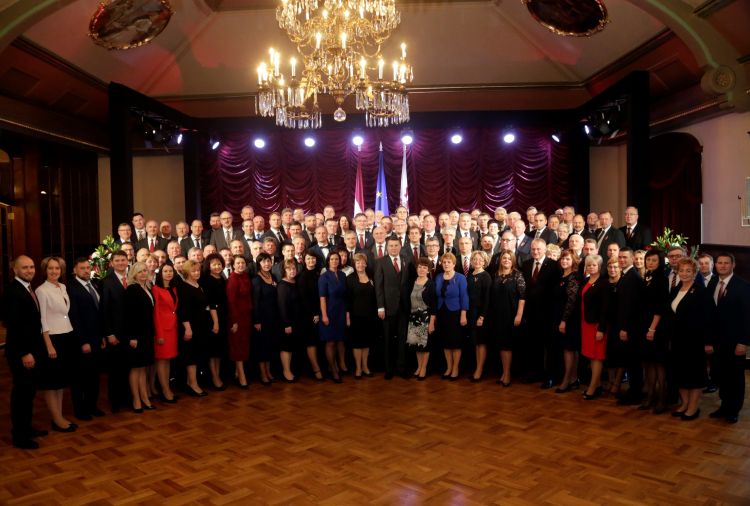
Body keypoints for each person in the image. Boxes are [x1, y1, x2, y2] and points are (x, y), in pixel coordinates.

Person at [5, 256, 46, 449]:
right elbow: (14, 326)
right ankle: (19, 436)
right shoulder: (13, 291)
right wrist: (25, 353)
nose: (29, 270)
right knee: (21, 394)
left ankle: (27, 428)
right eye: (25, 268)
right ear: (15, 270)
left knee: (29, 392)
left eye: (31, 267)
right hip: (21, 352)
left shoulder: (27, 288)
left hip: (32, 349)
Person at [665, 258, 712, 421]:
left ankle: (693, 407)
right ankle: (684, 404)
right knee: (679, 373)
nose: (684, 273)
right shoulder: (675, 289)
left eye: (688, 271)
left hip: (694, 341)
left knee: (694, 375)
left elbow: (708, 318)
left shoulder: (701, 291)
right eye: (681, 270)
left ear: (694, 272)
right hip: (677, 340)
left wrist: (708, 341)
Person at [35, 256, 78, 432]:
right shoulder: (41, 290)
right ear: (45, 270)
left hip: (66, 335)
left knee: (60, 381)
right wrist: (49, 345)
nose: (54, 271)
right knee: (51, 382)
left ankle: (58, 417)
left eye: (57, 268)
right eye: (51, 268)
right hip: (52, 339)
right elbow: (42, 320)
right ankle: (57, 418)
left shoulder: (63, 287)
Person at [707, 253, 750, 424]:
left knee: (736, 377)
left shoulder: (743, 286)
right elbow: (710, 314)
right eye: (720, 263)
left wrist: (744, 342)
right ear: (715, 265)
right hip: (717, 341)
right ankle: (724, 406)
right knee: (721, 374)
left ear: (733, 265)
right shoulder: (712, 283)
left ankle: (734, 409)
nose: (723, 266)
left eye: (726, 263)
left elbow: (748, 317)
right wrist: (709, 340)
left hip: (735, 341)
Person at [67, 257, 105, 422]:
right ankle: (80, 409)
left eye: (88, 268)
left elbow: (98, 313)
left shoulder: (94, 284)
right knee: (80, 377)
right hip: (83, 340)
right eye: (82, 268)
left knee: (94, 375)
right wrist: (83, 341)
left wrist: (102, 336)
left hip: (96, 338)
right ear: (74, 270)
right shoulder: (71, 288)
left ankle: (92, 405)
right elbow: (74, 317)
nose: (86, 271)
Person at [521, 239, 561, 387]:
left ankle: (550, 376)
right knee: (533, 344)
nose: (535, 252)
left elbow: (555, 290)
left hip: (548, 313)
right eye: (533, 249)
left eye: (538, 249)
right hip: (531, 313)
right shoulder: (526, 264)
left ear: (545, 250)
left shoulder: (553, 265)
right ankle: (535, 373)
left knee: (549, 346)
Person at [613, 248, 646, 406]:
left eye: (625, 257)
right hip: (627, 326)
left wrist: (625, 328)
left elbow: (631, 306)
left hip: (631, 328)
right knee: (629, 361)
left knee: (633, 362)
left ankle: (636, 394)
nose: (621, 260)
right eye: (620, 257)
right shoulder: (626, 275)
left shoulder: (633, 277)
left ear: (632, 258)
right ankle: (634, 390)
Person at [488, 250, 525, 387]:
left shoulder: (517, 275)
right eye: (504, 258)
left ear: (513, 260)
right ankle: (504, 372)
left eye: (509, 258)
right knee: (501, 345)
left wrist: (519, 315)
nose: (506, 260)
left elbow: (522, 297)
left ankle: (508, 374)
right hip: (497, 315)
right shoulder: (495, 275)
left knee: (507, 346)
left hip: (511, 315)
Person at [375, 236, 410, 379]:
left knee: (402, 339)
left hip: (404, 307)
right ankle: (389, 369)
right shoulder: (380, 262)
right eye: (391, 245)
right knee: (388, 339)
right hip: (388, 307)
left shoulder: (406, 260)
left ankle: (401, 368)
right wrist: (380, 307)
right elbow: (378, 286)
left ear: (400, 246)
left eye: (396, 245)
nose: (394, 248)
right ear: (387, 247)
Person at [123, 262, 155, 413]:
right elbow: (129, 316)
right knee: (135, 368)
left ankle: (144, 397)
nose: (143, 273)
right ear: (134, 274)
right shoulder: (132, 289)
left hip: (147, 334)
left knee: (143, 368)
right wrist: (132, 337)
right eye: (140, 271)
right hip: (136, 335)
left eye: (145, 271)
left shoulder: (147, 288)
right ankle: (136, 399)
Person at [431, 252, 469, 380]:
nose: (446, 264)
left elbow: (464, 297)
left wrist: (463, 314)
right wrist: (435, 315)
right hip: (441, 313)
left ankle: (455, 368)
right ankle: (448, 367)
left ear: (454, 264)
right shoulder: (438, 277)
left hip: (455, 313)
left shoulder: (460, 278)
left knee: (455, 342)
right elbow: (435, 297)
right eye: (444, 262)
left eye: (449, 262)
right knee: (445, 342)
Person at [641, 249, 669, 413]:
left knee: (659, 364)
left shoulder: (662, 279)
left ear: (660, 262)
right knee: (648, 362)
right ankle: (650, 395)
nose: (650, 263)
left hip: (657, 327)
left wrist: (652, 329)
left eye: (654, 260)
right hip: (645, 325)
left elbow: (660, 307)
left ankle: (661, 398)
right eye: (648, 260)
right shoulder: (647, 276)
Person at [178, 260, 211, 397]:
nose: (197, 273)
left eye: (198, 270)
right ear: (187, 272)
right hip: (191, 327)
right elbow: (183, 311)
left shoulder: (198, 285)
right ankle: (193, 384)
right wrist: (188, 328)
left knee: (197, 354)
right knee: (191, 356)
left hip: (201, 325)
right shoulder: (184, 287)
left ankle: (190, 382)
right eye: (193, 271)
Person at [580, 255, 608, 400]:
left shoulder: (603, 283)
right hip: (586, 323)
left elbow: (605, 309)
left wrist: (601, 329)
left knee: (597, 357)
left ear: (599, 266)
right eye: (589, 265)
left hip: (597, 325)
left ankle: (592, 388)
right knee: (591, 356)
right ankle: (597, 385)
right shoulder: (586, 281)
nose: (591, 267)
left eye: (594, 265)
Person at [346, 253, 378, 378]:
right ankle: (358, 368)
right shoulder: (350, 278)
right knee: (357, 343)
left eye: (362, 262)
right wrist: (347, 317)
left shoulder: (371, 276)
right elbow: (347, 300)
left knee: (366, 342)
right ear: (354, 264)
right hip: (356, 316)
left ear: (365, 263)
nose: (360, 264)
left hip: (370, 315)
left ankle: (365, 367)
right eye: (357, 262)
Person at [553, 249, 581, 393]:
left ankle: (566, 381)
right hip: (560, 316)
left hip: (569, 319)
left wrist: (564, 321)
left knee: (569, 349)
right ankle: (573, 379)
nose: (564, 261)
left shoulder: (574, 277)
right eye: (563, 258)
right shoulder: (562, 276)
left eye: (568, 259)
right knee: (569, 349)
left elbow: (571, 301)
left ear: (574, 261)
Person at [319, 251, 347, 382]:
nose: (335, 261)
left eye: (337, 259)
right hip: (329, 311)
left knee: (340, 340)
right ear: (328, 261)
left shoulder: (342, 275)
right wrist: (324, 315)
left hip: (341, 311)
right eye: (332, 259)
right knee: (330, 342)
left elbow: (346, 295)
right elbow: (322, 298)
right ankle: (333, 370)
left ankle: (339, 365)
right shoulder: (323, 277)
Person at [152, 263, 178, 403]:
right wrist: (159, 334)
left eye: (170, 271)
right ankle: (165, 390)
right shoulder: (156, 289)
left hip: (172, 329)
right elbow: (156, 313)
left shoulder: (173, 288)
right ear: (160, 274)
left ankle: (167, 387)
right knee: (161, 361)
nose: (168, 273)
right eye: (165, 271)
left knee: (168, 360)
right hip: (162, 330)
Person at [253, 252, 281, 385]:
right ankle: (262, 373)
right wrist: (257, 321)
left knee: (270, 345)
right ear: (259, 264)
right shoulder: (256, 279)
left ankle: (268, 371)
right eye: (263, 261)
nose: (267, 264)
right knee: (262, 347)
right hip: (262, 318)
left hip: (273, 317)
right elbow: (255, 302)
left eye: (268, 261)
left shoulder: (273, 276)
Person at [201, 254, 228, 390]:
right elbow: (210, 303)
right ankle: (214, 377)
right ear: (208, 266)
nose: (217, 266)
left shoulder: (222, 278)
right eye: (214, 264)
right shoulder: (206, 280)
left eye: (219, 264)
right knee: (212, 350)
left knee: (219, 349)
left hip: (223, 315)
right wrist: (215, 322)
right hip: (212, 318)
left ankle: (218, 374)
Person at [406, 258, 435, 380]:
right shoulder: (412, 282)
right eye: (419, 267)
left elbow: (434, 305)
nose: (422, 269)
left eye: (424, 267)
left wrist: (432, 323)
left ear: (428, 270)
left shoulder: (431, 284)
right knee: (416, 344)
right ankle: (419, 366)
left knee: (425, 345)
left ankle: (424, 368)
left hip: (425, 317)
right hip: (413, 317)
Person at [297, 250, 324, 380]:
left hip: (320, 312)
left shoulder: (319, 273)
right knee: (311, 342)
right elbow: (304, 299)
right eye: (308, 258)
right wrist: (314, 314)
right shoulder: (302, 276)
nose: (311, 261)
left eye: (313, 258)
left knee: (318, 342)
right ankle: (315, 369)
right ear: (304, 261)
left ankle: (320, 367)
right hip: (309, 315)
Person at [226, 255, 252, 388]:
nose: (241, 265)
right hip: (237, 318)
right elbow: (231, 302)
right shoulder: (232, 280)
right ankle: (242, 376)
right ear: (233, 265)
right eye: (238, 263)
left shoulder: (246, 276)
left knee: (244, 344)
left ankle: (238, 372)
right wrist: (234, 321)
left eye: (242, 263)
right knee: (237, 346)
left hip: (247, 316)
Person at [467, 251, 492, 382]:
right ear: (471, 261)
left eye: (480, 260)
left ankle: (480, 370)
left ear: (484, 262)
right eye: (475, 259)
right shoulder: (470, 275)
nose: (477, 262)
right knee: (476, 342)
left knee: (481, 342)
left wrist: (482, 316)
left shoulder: (486, 276)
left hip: (481, 314)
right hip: (471, 313)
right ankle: (477, 367)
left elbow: (487, 299)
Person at [603, 257, 625, 397]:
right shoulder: (604, 283)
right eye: (610, 267)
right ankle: (611, 380)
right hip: (607, 323)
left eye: (615, 267)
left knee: (620, 354)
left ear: (621, 269)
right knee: (609, 353)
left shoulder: (623, 283)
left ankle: (617, 382)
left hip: (620, 323)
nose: (612, 269)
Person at [277, 259, 302, 382]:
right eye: (289, 269)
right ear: (284, 270)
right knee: (286, 346)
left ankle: (290, 370)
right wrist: (286, 324)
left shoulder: (295, 282)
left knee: (291, 346)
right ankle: (286, 371)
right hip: (287, 322)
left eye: (294, 268)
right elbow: (282, 306)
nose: (292, 271)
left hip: (296, 320)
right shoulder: (282, 285)